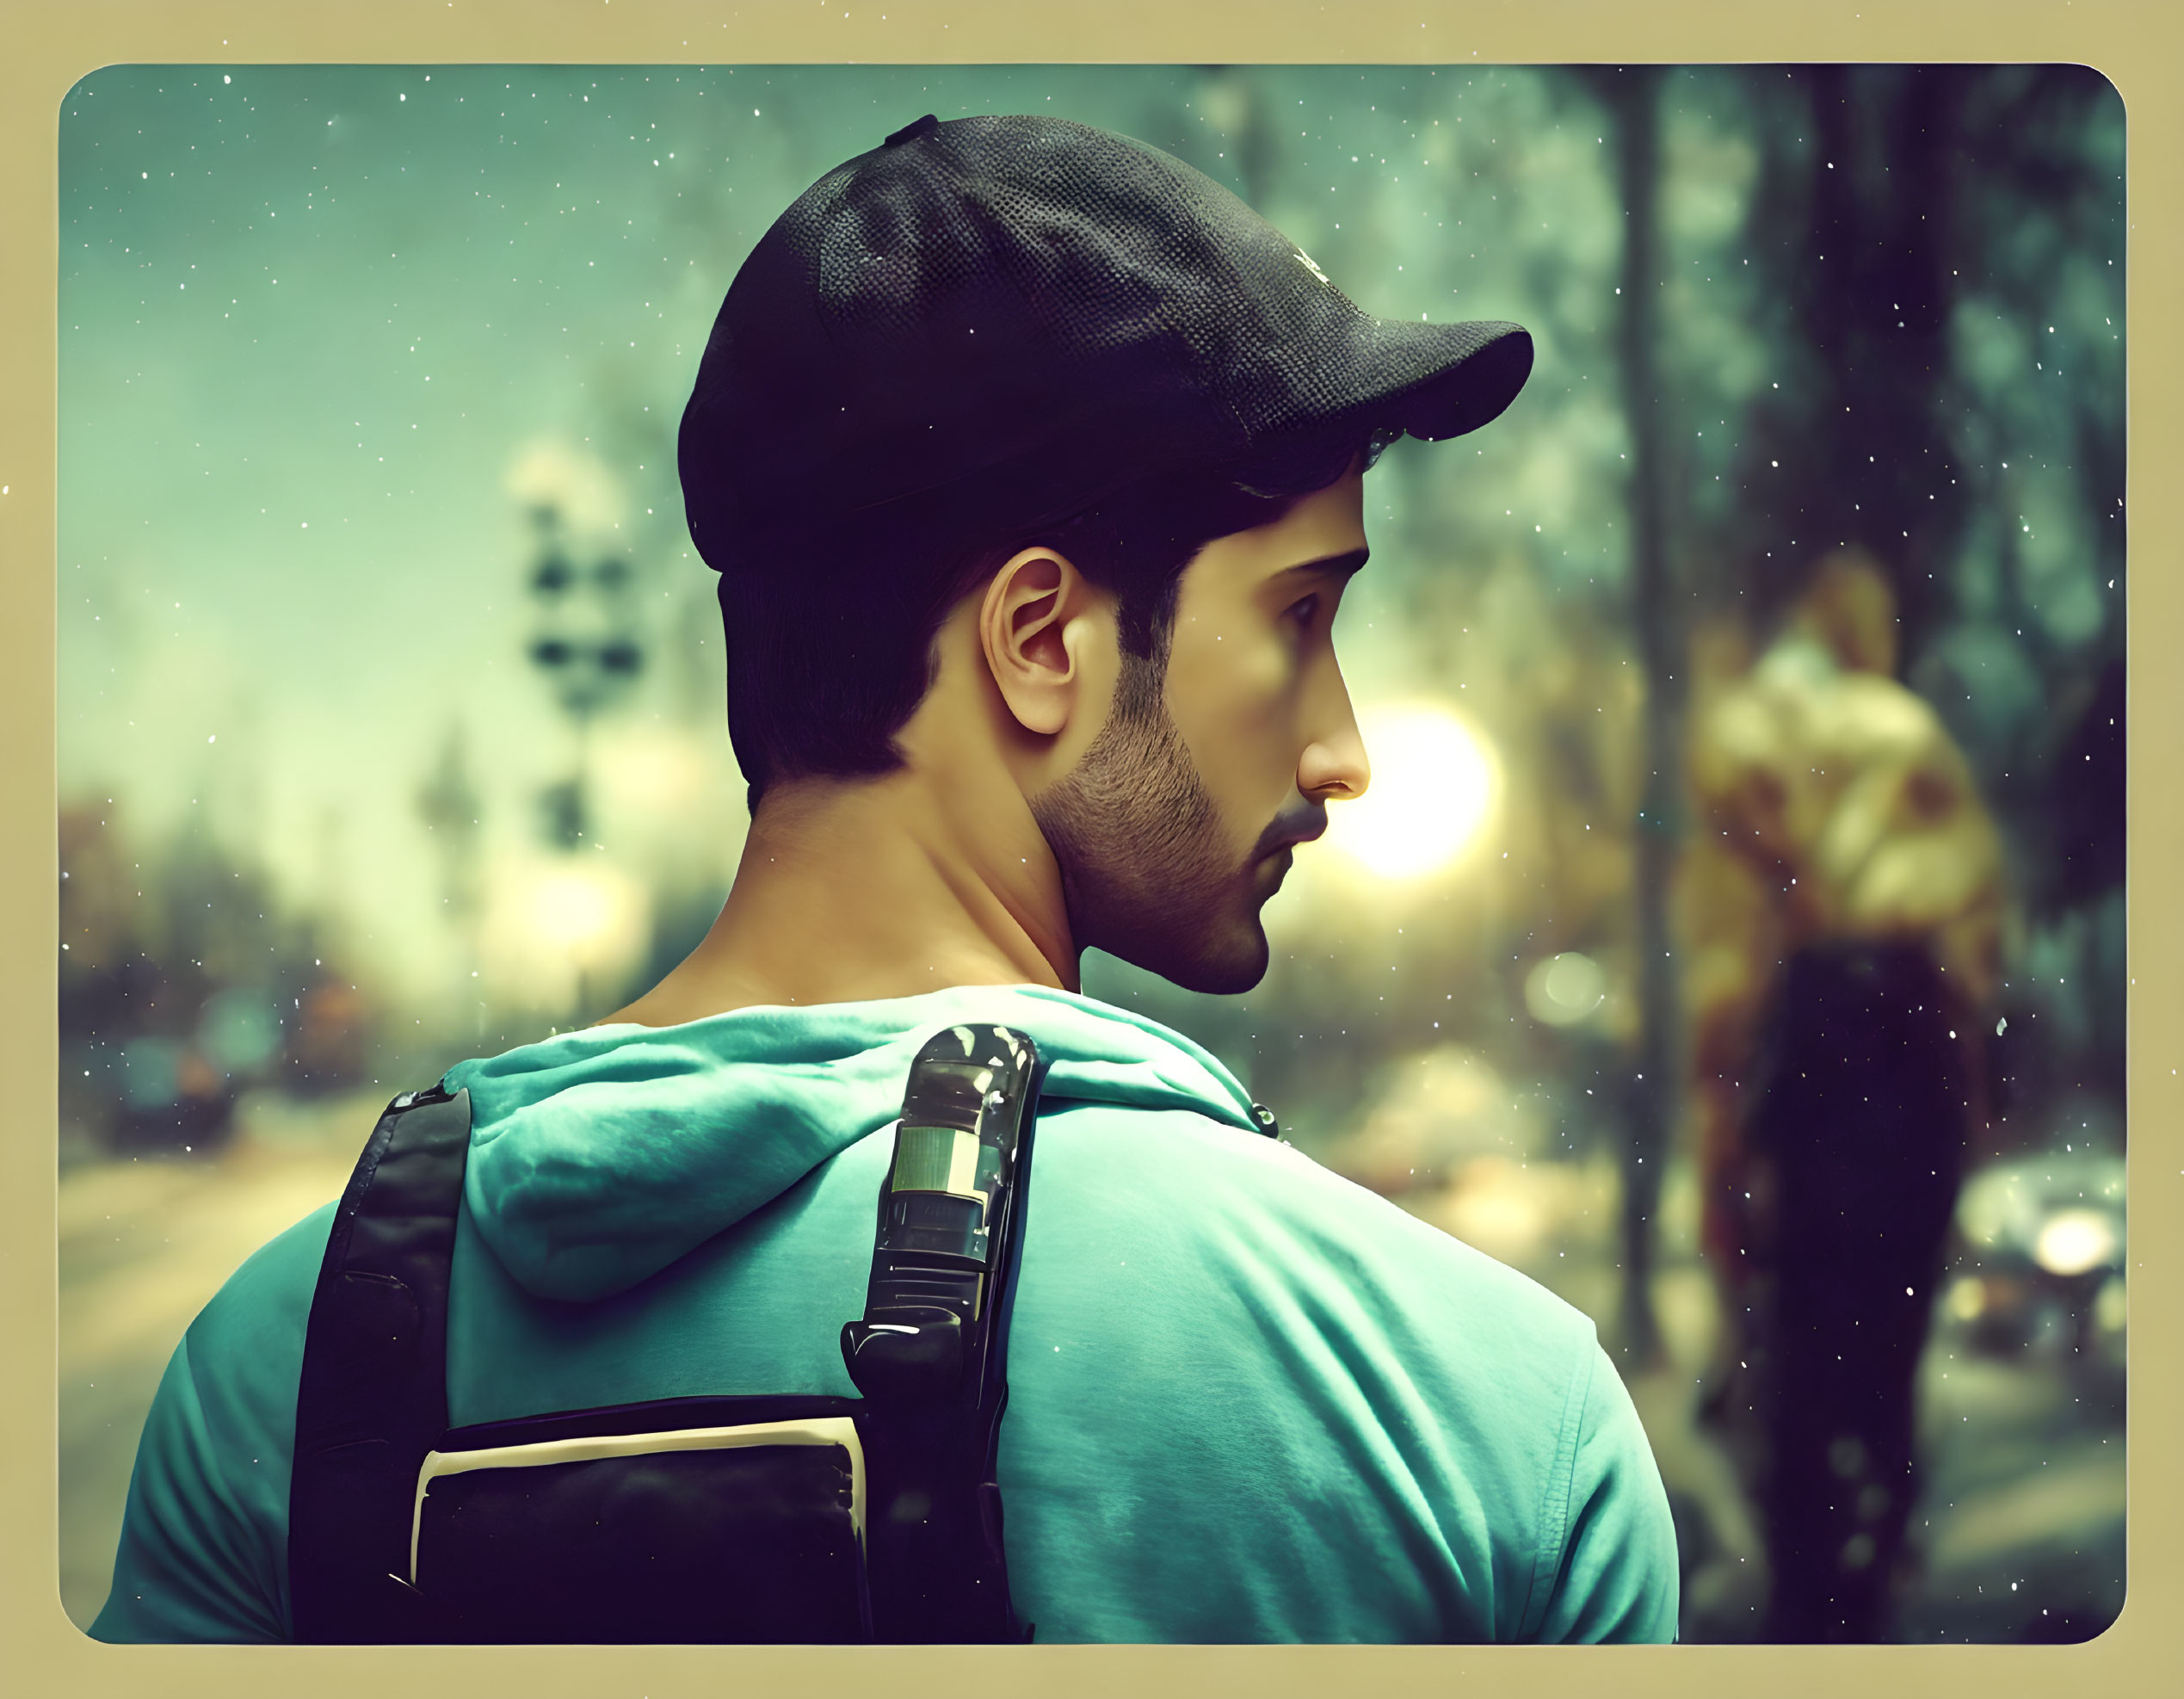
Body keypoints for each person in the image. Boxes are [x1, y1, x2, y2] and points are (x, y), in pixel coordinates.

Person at [91, 113, 1678, 1645]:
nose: (1340, 752)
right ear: (1041, 640)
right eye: (1301, 617)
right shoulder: (1478, 1419)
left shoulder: (273, 1376)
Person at [1681, 550, 2005, 1640]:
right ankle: (1874, 1523)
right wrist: (1967, 1081)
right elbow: (1973, 934)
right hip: (1903, 1039)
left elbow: (1732, 936)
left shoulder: (1747, 733)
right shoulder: (1909, 734)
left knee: (1797, 1328)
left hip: (1812, 1037)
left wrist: (1722, 1116)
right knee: (1886, 1331)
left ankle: (1817, 1565)